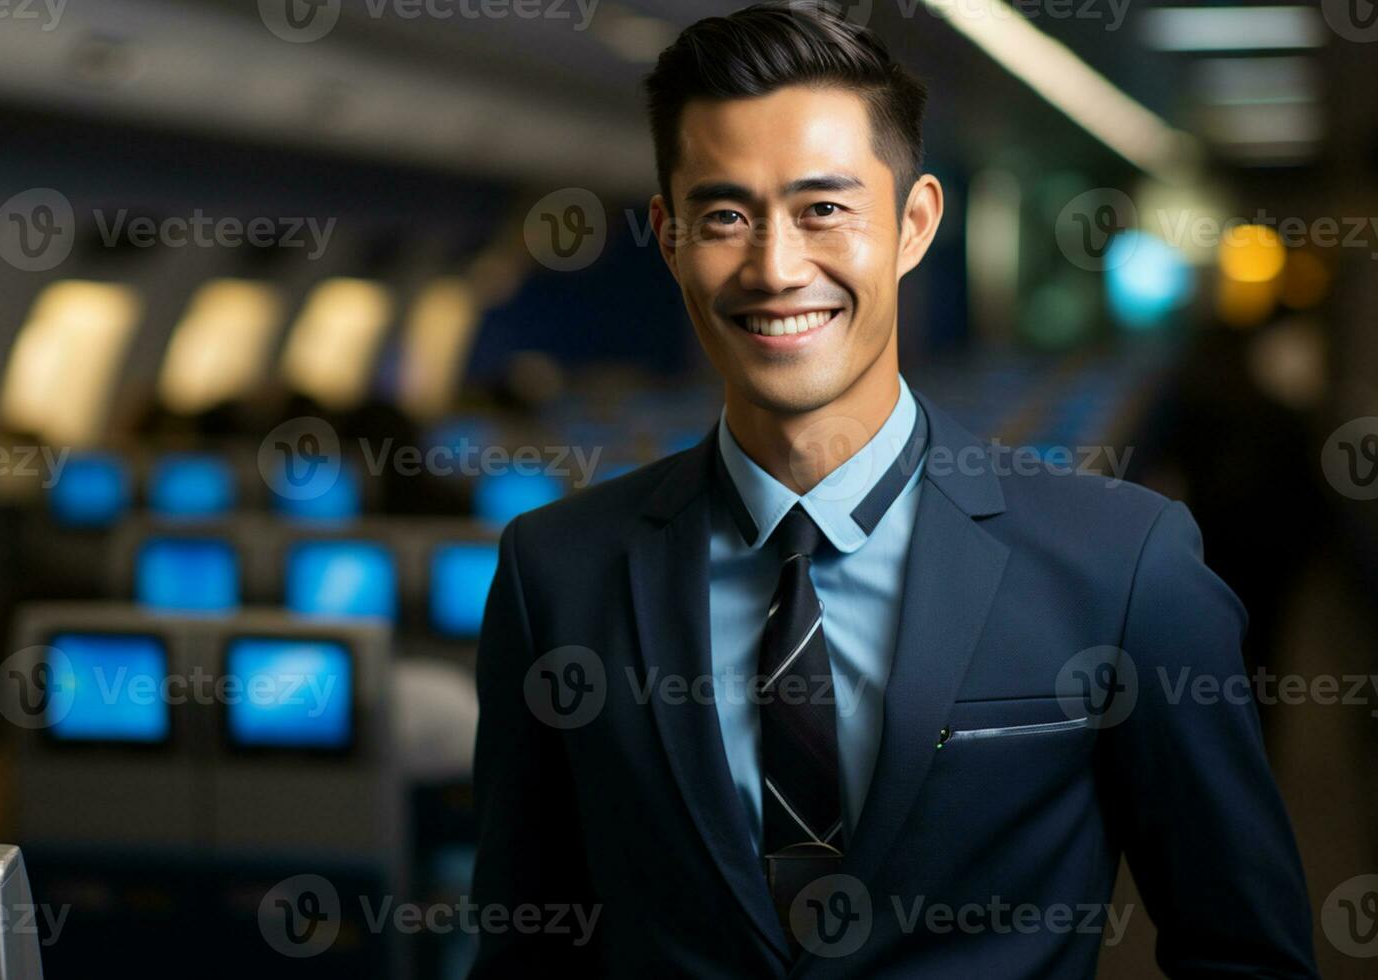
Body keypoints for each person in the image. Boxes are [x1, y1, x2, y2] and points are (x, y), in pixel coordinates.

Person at [469, 3, 1316, 976]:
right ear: (667, 237)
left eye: (823, 208)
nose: (777, 267)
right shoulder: (556, 573)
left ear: (914, 223)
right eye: (724, 215)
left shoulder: (1121, 566)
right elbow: (524, 951)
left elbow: (1248, 953)